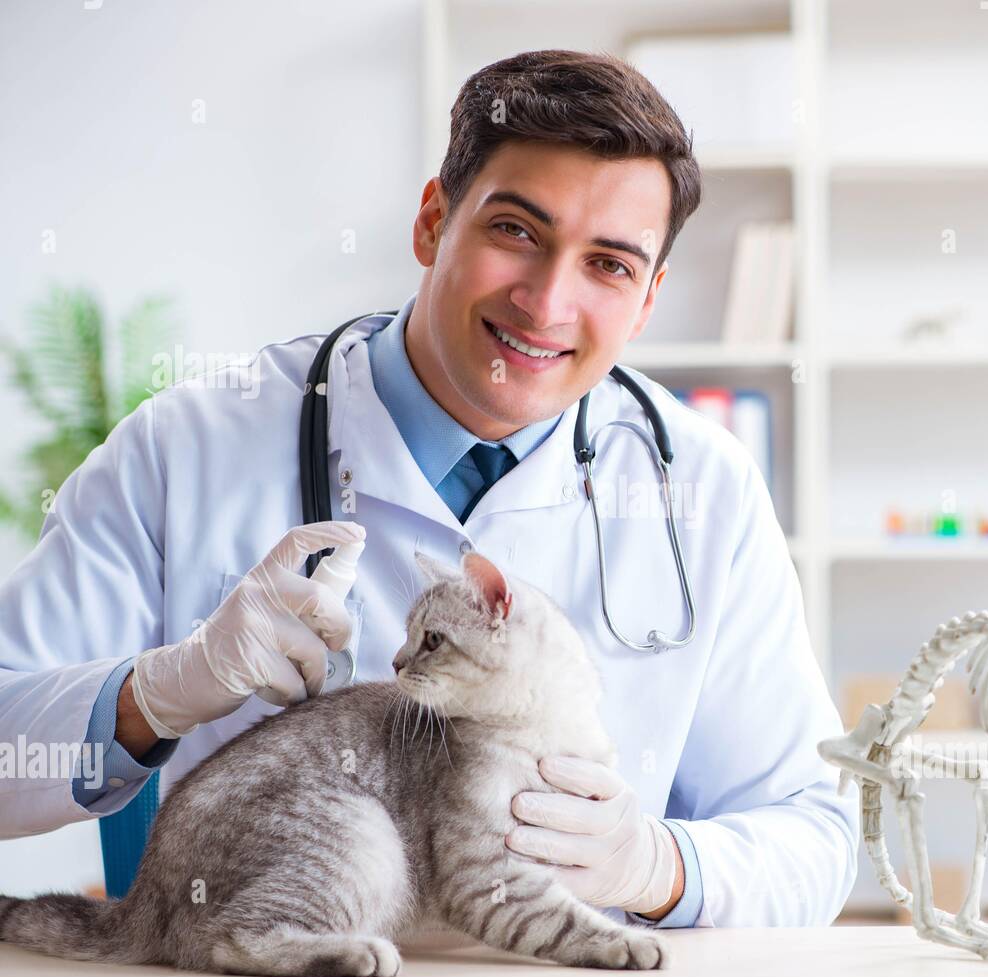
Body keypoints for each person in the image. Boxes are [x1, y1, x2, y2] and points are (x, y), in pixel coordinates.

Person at [0, 49, 857, 928]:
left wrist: (657, 867)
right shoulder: (189, 446)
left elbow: (817, 837)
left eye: (609, 265)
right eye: (516, 231)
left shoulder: (701, 487)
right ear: (432, 221)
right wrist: (160, 692)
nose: (548, 302)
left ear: (646, 301)